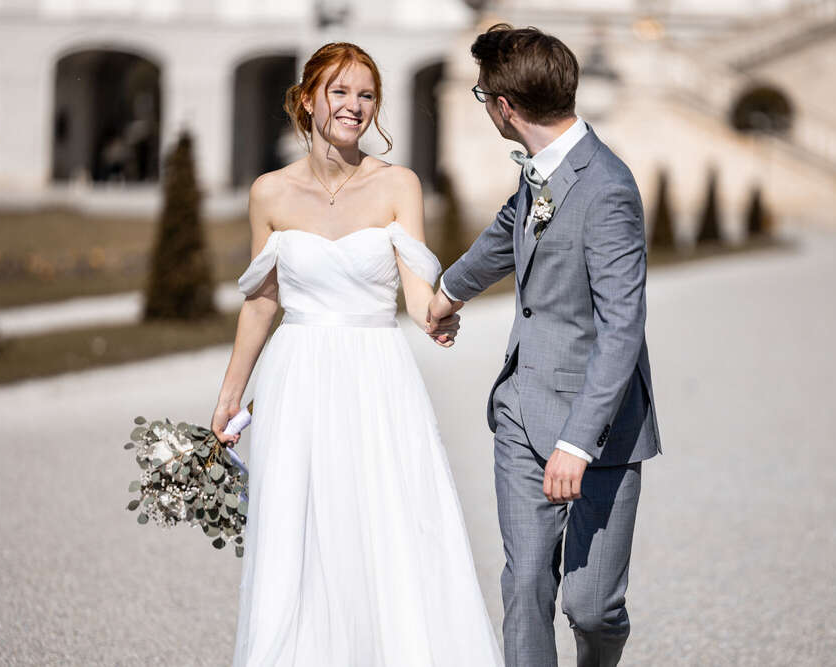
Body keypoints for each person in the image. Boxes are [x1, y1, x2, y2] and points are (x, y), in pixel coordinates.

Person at [210, 42, 503, 666]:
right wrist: (232, 392)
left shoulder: (399, 184)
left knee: (387, 521)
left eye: (366, 94)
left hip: (377, 374)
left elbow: (420, 288)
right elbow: (262, 301)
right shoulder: (269, 193)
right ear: (308, 99)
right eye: (340, 91)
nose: (354, 106)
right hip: (299, 374)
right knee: (298, 527)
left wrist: (439, 316)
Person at [426, 24, 661, 667]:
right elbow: (511, 229)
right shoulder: (542, 172)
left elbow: (622, 329)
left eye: (483, 98)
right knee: (525, 583)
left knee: (592, 607)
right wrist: (450, 291)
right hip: (522, 411)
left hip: (601, 431)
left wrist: (578, 442)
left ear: (505, 108)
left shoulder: (607, 187)